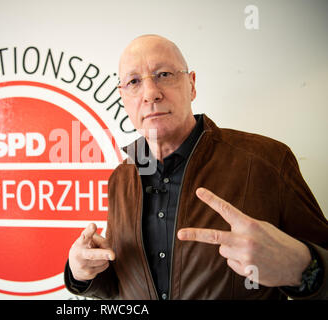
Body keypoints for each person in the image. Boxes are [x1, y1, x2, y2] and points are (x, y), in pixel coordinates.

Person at [64, 34, 328, 299]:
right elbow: (121, 289)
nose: (151, 94)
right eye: (134, 82)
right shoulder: (121, 178)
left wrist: (302, 267)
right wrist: (81, 273)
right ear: (123, 97)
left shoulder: (267, 161)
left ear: (191, 85)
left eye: (164, 74)